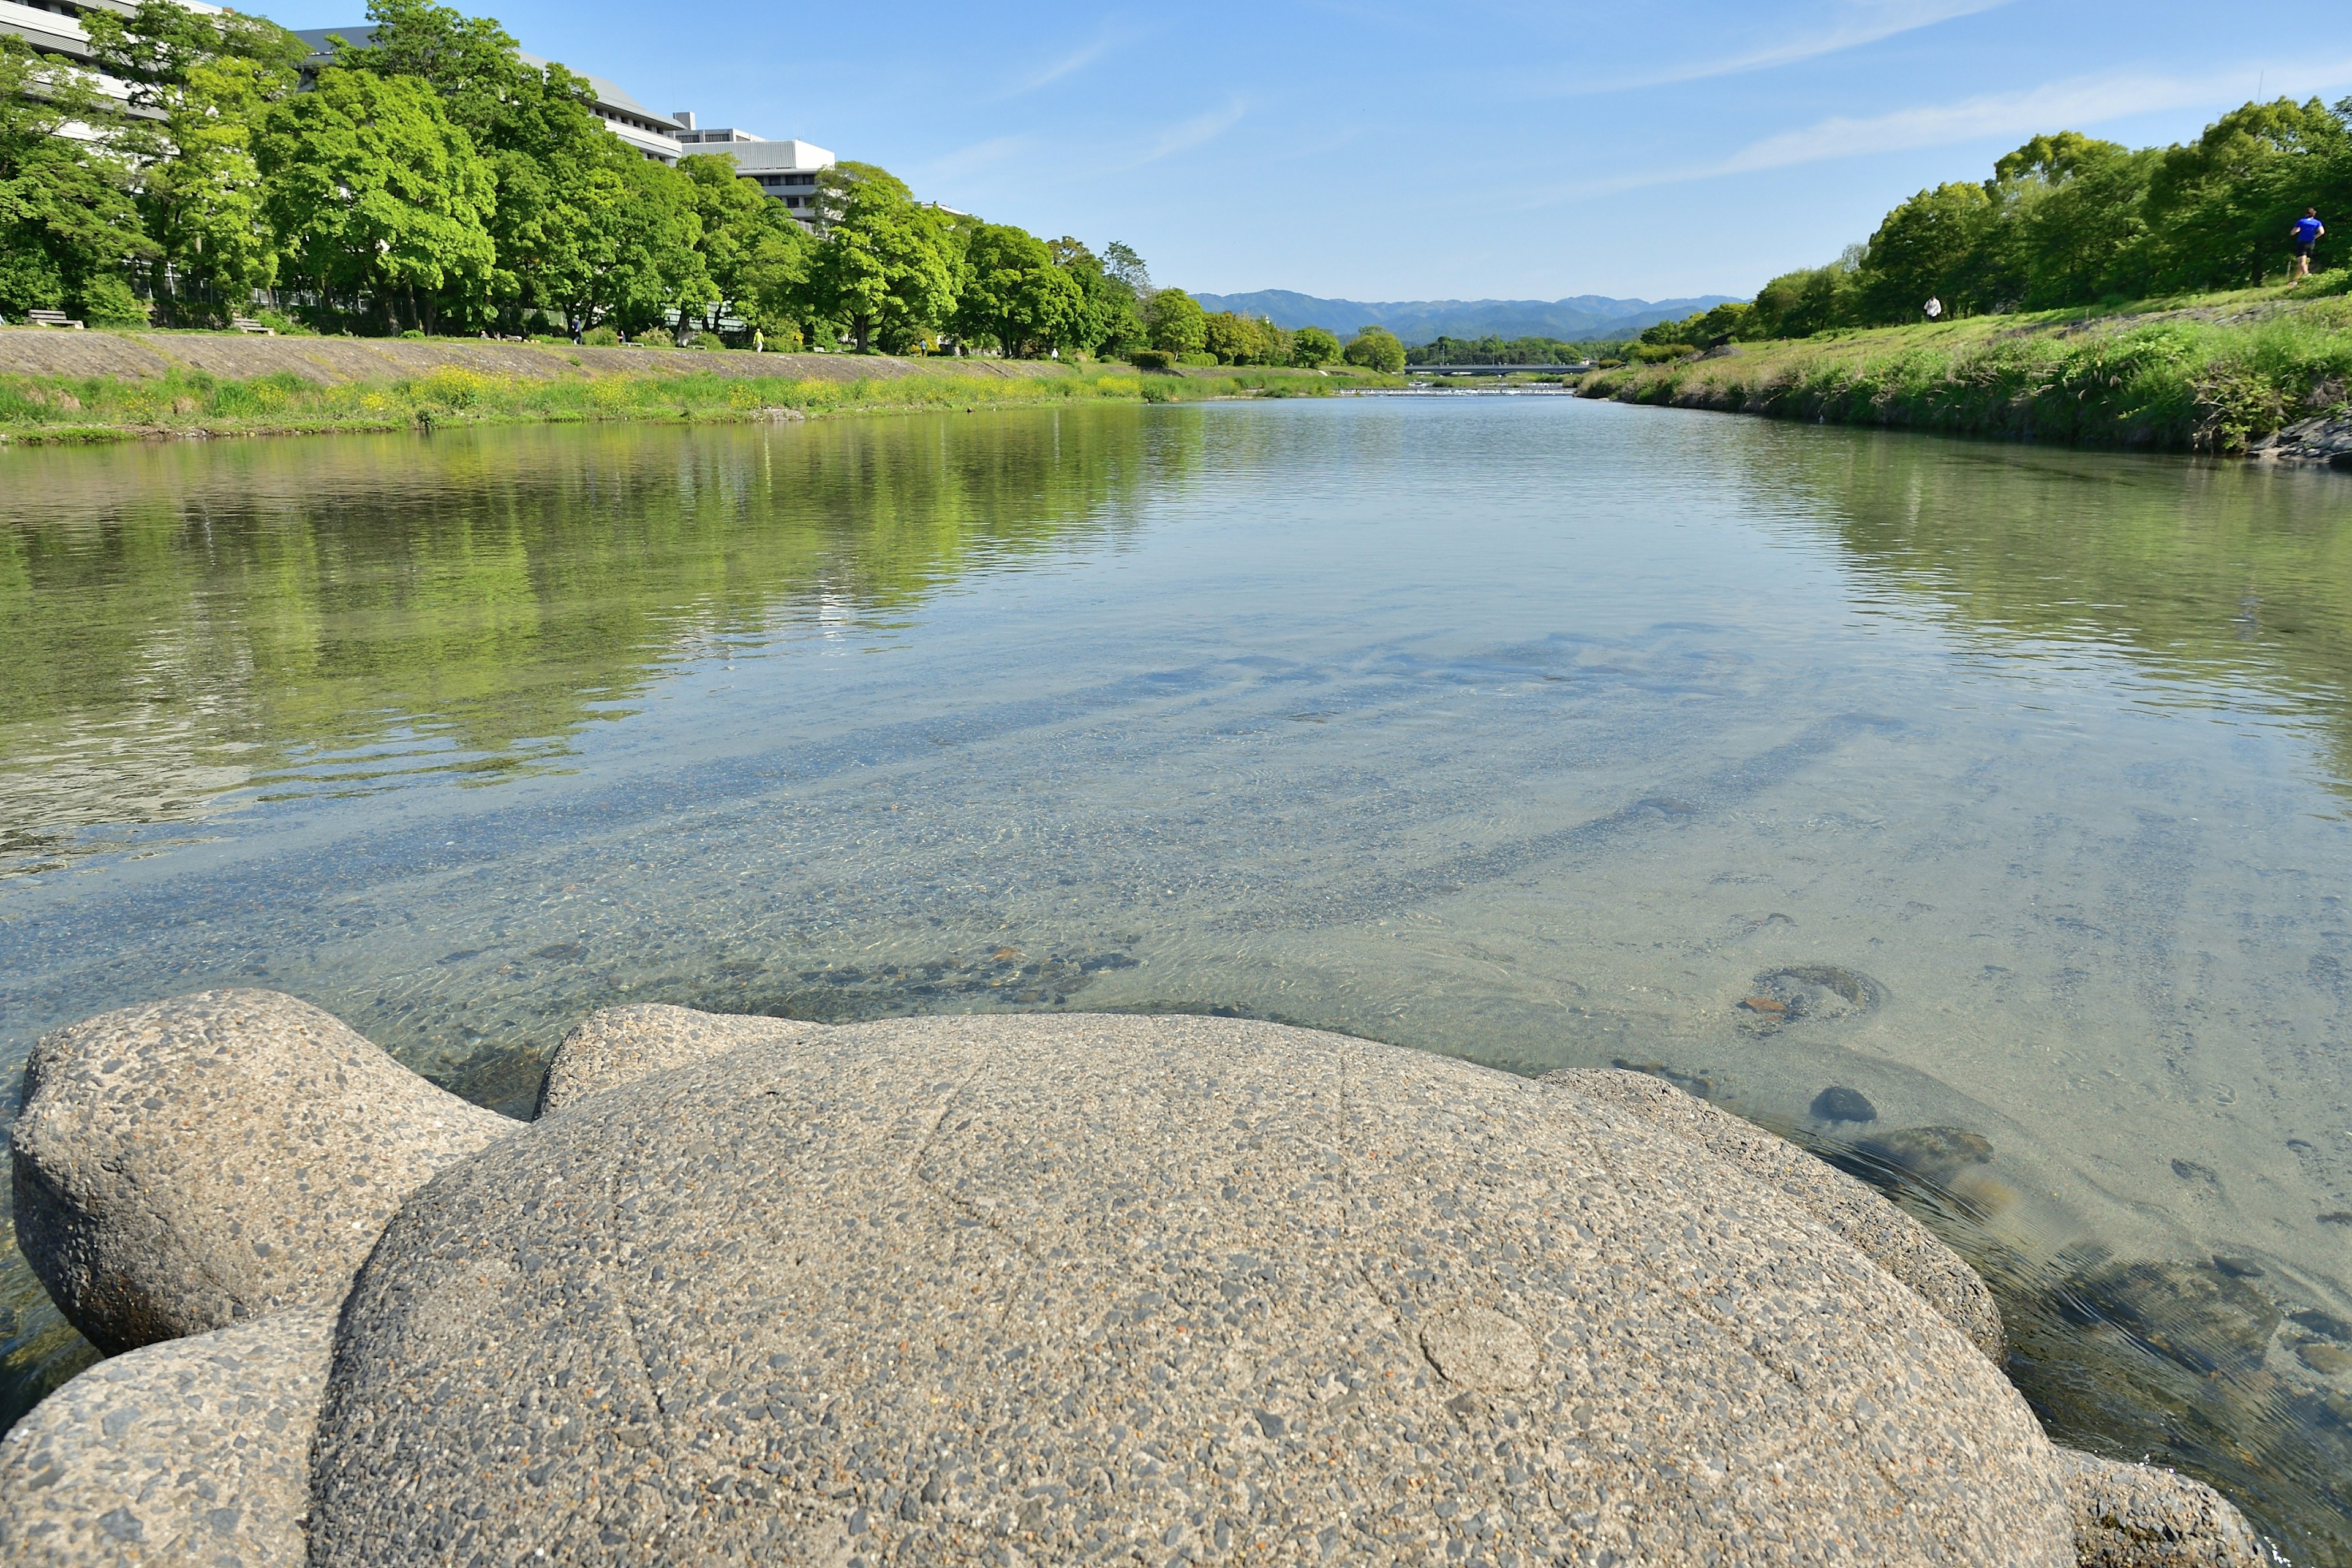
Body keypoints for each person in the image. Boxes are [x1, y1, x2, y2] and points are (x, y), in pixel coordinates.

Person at [2291, 208, 2324, 281]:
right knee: (2303, 262)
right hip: (2311, 243)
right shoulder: (2317, 222)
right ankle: (2295, 280)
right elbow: (2322, 232)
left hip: (2302, 242)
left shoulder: (2301, 221)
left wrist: (2298, 230)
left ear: (2306, 214)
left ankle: (2307, 276)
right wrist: (2315, 237)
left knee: (2302, 262)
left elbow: (2293, 233)